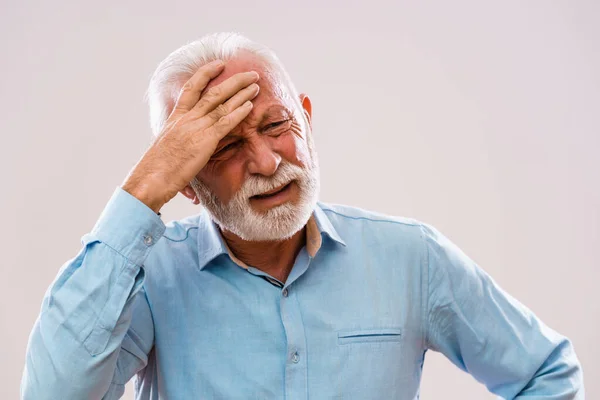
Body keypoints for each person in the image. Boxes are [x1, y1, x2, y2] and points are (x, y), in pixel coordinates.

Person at [21, 32, 584, 399]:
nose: (267, 162)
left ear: (307, 121)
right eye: (222, 148)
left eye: (276, 126)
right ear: (187, 184)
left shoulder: (412, 258)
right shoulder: (147, 281)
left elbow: (546, 373)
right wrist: (145, 187)